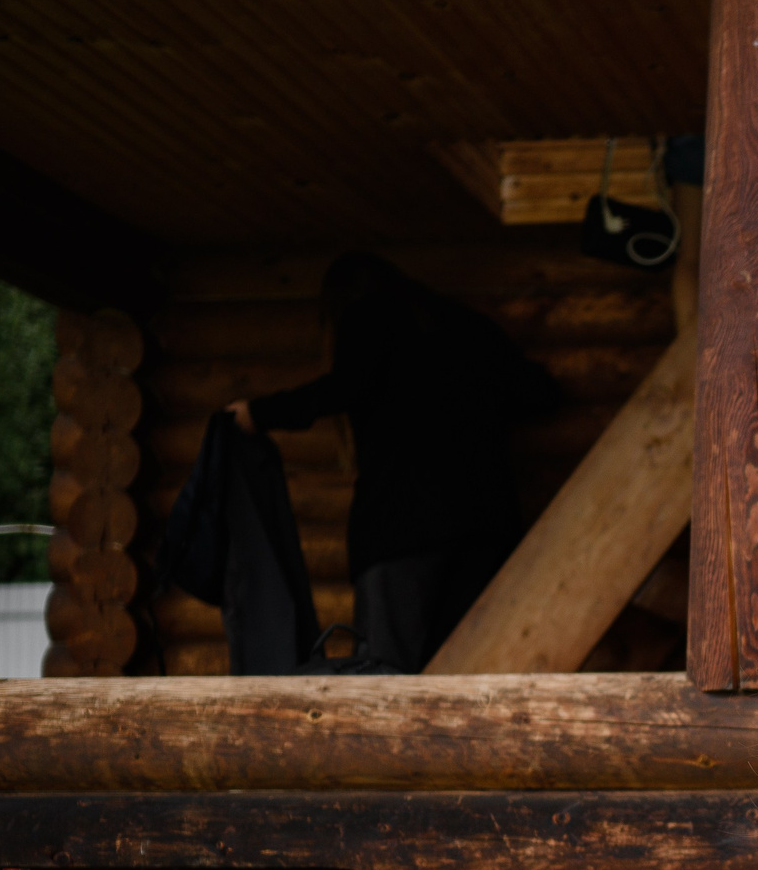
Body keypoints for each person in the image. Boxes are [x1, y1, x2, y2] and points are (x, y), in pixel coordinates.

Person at [226, 252, 555, 671]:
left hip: (400, 530)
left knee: (386, 677)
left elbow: (343, 387)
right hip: (484, 527)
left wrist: (256, 414)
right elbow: (538, 392)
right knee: (471, 670)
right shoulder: (462, 325)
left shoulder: (370, 317)